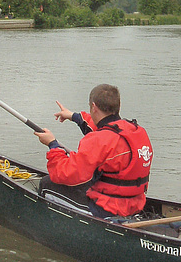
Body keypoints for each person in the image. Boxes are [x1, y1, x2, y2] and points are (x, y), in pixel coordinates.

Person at [34, 84, 153, 219]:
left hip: (107, 209)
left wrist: (52, 145)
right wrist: (74, 116)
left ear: (94, 107)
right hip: (135, 204)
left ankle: (46, 226)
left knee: (47, 184)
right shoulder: (136, 131)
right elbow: (104, 129)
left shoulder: (98, 140)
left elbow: (64, 174)